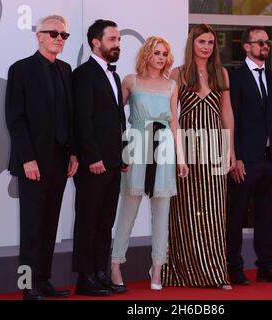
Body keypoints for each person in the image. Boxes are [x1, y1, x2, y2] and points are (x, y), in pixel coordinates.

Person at [5, 15, 78, 300]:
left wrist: (73, 153)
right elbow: (16, 118)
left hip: (60, 161)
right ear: (39, 36)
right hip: (33, 162)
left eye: (64, 35)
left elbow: (70, 118)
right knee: (31, 228)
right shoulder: (21, 70)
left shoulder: (66, 70)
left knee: (49, 225)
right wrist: (27, 159)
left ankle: (44, 281)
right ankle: (27, 287)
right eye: (54, 33)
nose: (59, 38)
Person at [110, 36, 189, 291]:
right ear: (147, 54)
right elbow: (112, 114)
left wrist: (181, 157)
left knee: (162, 212)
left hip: (164, 145)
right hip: (136, 143)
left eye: (165, 54)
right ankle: (115, 263)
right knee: (128, 210)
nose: (161, 58)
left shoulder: (171, 85)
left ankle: (157, 267)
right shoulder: (130, 81)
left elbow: (174, 123)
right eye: (157, 53)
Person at [162, 24, 236, 290]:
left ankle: (215, 274)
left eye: (211, 42)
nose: (207, 46)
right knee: (186, 210)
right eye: (202, 41)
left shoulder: (221, 73)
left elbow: (227, 114)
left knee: (215, 211)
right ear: (192, 43)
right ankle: (184, 271)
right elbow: (173, 117)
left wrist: (231, 151)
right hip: (189, 148)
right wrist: (178, 153)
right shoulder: (179, 74)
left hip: (215, 146)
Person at [227, 26, 272, 285]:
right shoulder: (235, 78)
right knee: (237, 215)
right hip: (245, 159)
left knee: (266, 215)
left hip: (270, 159)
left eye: (267, 42)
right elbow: (231, 120)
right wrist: (236, 156)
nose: (265, 46)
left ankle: (266, 265)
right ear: (246, 46)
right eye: (260, 42)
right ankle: (234, 266)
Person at [72, 19, 127, 296]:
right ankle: (85, 277)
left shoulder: (114, 75)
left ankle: (100, 272)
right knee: (88, 220)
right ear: (96, 41)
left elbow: (118, 120)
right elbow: (83, 120)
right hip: (93, 163)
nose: (117, 44)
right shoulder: (83, 74)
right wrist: (92, 157)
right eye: (112, 39)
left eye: (118, 40)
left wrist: (124, 154)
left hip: (114, 162)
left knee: (106, 221)